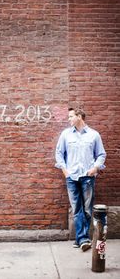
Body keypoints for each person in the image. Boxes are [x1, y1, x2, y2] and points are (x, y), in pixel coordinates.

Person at [55, 107, 106, 251]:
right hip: (71, 177)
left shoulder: (94, 135)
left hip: (87, 177)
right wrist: (65, 171)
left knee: (87, 210)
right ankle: (83, 238)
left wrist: (95, 168)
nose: (68, 119)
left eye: (71, 116)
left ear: (79, 116)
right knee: (77, 209)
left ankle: (80, 239)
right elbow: (59, 153)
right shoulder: (66, 134)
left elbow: (101, 154)